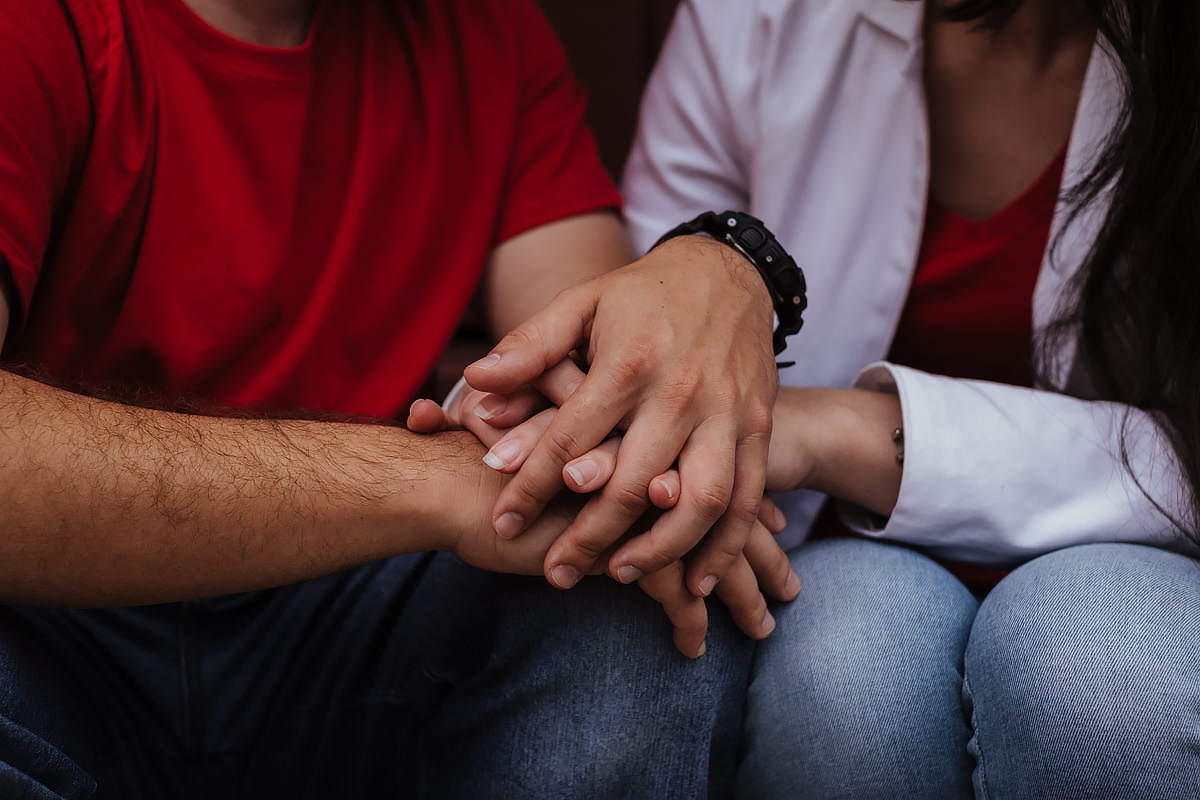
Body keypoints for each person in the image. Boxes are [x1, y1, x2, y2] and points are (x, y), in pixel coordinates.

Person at [0, 0, 801, 796]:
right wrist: (434, 483)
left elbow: (590, 376)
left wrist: (714, 277)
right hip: (50, 626)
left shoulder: (484, 31)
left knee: (627, 567)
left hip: (353, 612)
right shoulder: (41, 27)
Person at [456, 0, 1200, 796]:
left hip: (1150, 549)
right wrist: (589, 411)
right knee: (839, 671)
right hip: (826, 548)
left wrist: (837, 431)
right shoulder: (753, 17)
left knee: (1105, 667)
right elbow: (645, 332)